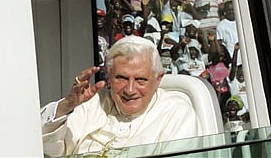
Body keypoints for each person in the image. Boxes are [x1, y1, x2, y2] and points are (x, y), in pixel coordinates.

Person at [41, 36, 200, 157]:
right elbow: (48, 147)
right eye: (121, 78)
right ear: (108, 76)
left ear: (158, 79)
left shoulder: (176, 111)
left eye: (140, 80)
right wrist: (66, 106)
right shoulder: (93, 101)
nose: (130, 90)